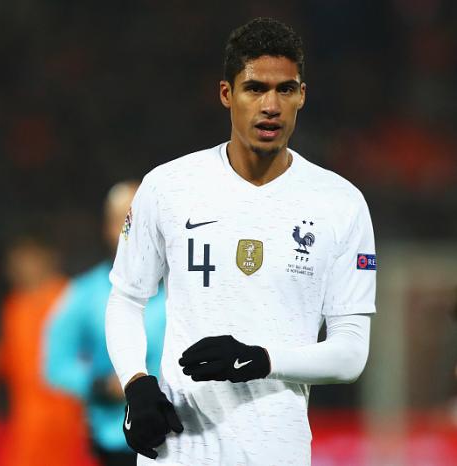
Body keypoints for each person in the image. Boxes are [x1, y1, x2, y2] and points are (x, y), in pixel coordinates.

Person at [105, 17, 376, 465]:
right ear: (226, 94)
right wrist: (135, 382)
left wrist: (263, 359)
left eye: (285, 90)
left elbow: (350, 354)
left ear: (302, 95)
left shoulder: (340, 204)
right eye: (254, 88)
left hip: (276, 452)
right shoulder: (168, 187)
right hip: (178, 450)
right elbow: (126, 299)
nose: (271, 105)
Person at [44, 181, 166, 466]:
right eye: (124, 221)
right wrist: (98, 385)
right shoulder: (84, 294)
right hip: (118, 442)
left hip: (184, 440)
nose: (135, 231)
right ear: (107, 228)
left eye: (144, 220)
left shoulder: (184, 288)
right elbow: (56, 365)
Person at [0, 234, 94, 466]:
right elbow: (13, 359)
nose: (20, 267)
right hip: (27, 421)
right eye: (16, 261)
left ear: (48, 259)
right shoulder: (14, 306)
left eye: (28, 259)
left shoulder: (70, 297)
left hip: (67, 418)